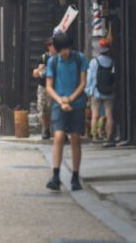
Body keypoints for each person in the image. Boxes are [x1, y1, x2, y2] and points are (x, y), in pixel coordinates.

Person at [45, 30, 88, 192]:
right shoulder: (53, 62)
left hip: (77, 103)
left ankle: (75, 176)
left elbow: (83, 83)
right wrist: (61, 101)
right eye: (62, 49)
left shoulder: (79, 58)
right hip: (59, 104)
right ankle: (55, 175)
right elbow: (49, 86)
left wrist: (69, 99)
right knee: (58, 136)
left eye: (67, 48)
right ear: (56, 48)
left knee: (76, 138)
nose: (65, 52)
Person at [87, 38, 115, 147]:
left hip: (96, 92)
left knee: (95, 115)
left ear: (99, 50)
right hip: (109, 92)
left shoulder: (94, 62)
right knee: (109, 115)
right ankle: (108, 138)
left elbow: (90, 78)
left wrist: (89, 91)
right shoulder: (113, 62)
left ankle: (95, 137)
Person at [32, 36, 57, 140]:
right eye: (52, 45)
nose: (54, 47)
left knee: (56, 110)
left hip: (57, 87)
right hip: (43, 87)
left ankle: (59, 131)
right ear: (48, 46)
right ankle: (46, 129)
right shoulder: (43, 58)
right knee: (43, 110)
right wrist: (39, 69)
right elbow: (34, 74)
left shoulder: (61, 57)